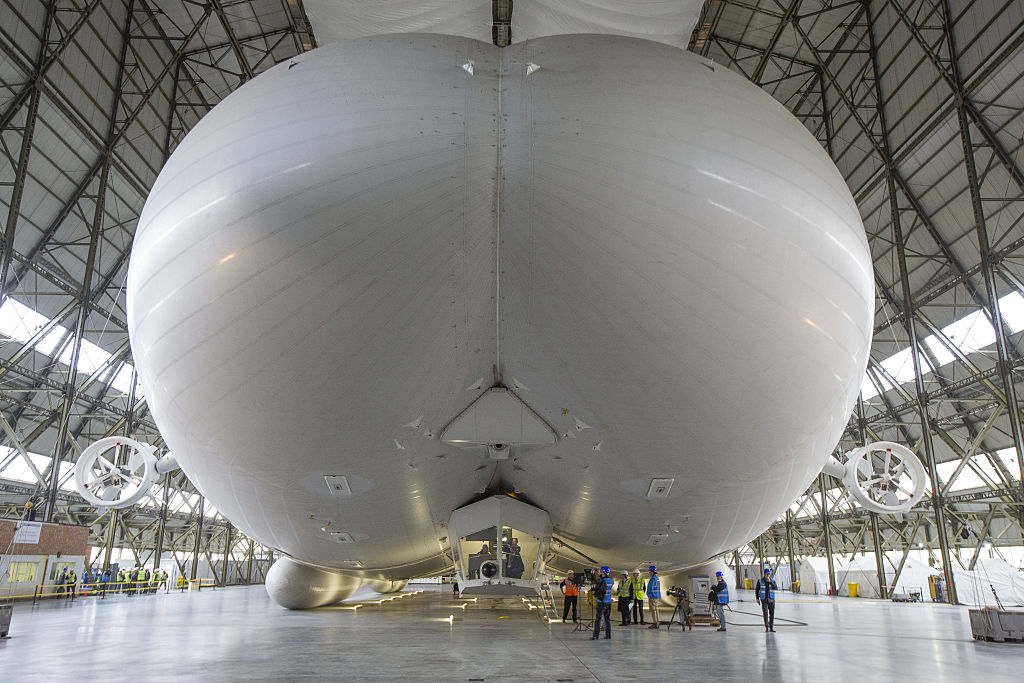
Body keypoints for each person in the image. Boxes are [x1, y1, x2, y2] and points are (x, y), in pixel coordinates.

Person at [590, 566, 614, 640]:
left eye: (602, 572)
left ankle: (595, 635)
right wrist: (599, 573)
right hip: (608, 602)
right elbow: (602, 579)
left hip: (601, 602)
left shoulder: (601, 581)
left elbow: (594, 582)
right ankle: (608, 635)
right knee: (607, 619)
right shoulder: (611, 581)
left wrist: (592, 574)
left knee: (598, 619)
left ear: (604, 573)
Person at [756, 567, 778, 632]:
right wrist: (757, 598)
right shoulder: (760, 581)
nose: (768, 575)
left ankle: (771, 627)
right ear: (764, 574)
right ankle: (766, 627)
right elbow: (757, 590)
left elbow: (775, 588)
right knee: (765, 613)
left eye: (768, 574)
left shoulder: (773, 581)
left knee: (772, 614)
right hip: (764, 600)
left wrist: (770, 582)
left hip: (771, 600)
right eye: (766, 574)